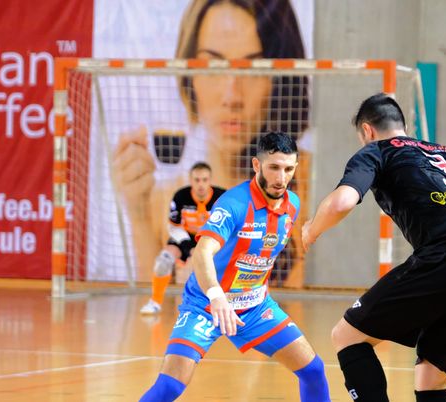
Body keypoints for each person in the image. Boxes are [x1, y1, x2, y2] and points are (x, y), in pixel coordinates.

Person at [301, 93, 446, 402]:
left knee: (346, 336)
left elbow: (342, 202)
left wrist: (311, 229)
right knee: (430, 378)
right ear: (405, 126)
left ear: (367, 131)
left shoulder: (377, 151)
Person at [113, 0, 310, 286]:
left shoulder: (314, 185)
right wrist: (138, 213)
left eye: (253, 69)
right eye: (214, 66)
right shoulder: (167, 201)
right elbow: (152, 306)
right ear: (190, 76)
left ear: (280, 80)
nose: (232, 96)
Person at [139, 132, 330, 401]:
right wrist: (216, 295)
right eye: (274, 167)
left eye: (288, 169)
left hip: (255, 307)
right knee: (170, 386)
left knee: (313, 370)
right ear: (256, 165)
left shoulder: (292, 205)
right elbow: (202, 252)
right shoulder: (234, 204)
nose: (281, 178)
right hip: (206, 305)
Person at [140, 162, 226, 314]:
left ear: (210, 180)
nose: (201, 184)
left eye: (205, 180)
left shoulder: (222, 198)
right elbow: (173, 226)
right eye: (197, 180)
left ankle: (225, 305)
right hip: (186, 236)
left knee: (224, 267)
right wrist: (188, 246)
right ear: (190, 180)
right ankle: (155, 302)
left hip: (211, 238)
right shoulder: (180, 196)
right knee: (163, 261)